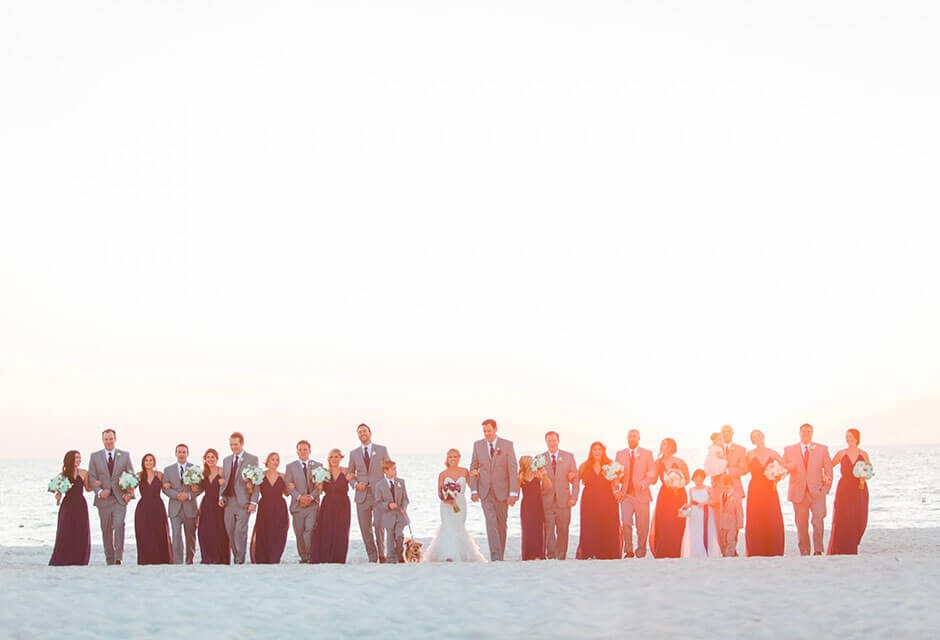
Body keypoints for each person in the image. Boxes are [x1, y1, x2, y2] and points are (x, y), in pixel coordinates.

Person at [424, 449, 487, 563]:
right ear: (447, 459)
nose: (453, 459)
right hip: (446, 505)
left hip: (460, 503)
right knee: (447, 526)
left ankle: (460, 554)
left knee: (459, 526)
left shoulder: (464, 471)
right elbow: (439, 492)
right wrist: (447, 499)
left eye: (455, 457)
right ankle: (448, 554)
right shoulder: (442, 474)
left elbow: (472, 486)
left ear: (459, 457)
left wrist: (478, 477)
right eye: (450, 457)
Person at [469, 418, 519, 561]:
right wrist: (474, 490)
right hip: (485, 491)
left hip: (503, 492)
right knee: (491, 523)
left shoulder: (507, 445)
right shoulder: (477, 445)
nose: (486, 434)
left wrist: (513, 492)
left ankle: (500, 555)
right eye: (484, 431)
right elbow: (473, 467)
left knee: (501, 524)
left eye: (489, 430)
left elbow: (512, 469)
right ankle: (496, 557)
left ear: (496, 429)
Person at [783, 423, 832, 555]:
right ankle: (804, 551)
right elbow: (783, 469)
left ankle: (818, 550)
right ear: (799, 433)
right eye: (803, 431)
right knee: (801, 525)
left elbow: (828, 470)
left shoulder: (822, 449)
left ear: (812, 433)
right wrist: (779, 473)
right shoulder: (789, 450)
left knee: (818, 522)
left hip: (817, 493)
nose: (806, 433)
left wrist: (825, 489)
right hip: (798, 493)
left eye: (809, 431)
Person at [88, 428, 134, 565]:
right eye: (106, 439)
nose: (108, 441)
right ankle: (110, 558)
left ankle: (119, 557)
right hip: (103, 500)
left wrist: (129, 494)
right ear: (103, 440)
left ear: (115, 439)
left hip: (120, 499)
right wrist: (99, 491)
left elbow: (131, 476)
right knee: (106, 529)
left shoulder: (124, 455)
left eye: (111, 438)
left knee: (119, 525)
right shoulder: (95, 456)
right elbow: (91, 477)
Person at [347, 424, 391, 563]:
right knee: (365, 529)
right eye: (359, 432)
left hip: (379, 495)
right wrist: (355, 484)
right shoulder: (353, 453)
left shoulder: (382, 450)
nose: (362, 434)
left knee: (378, 526)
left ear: (370, 433)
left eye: (364, 431)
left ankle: (382, 555)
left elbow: (389, 470)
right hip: (362, 496)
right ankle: (372, 557)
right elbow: (350, 474)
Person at [828, 428, 871, 555]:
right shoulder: (842, 453)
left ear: (857, 438)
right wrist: (826, 477)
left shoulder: (863, 454)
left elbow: (869, 470)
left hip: (860, 488)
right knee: (844, 517)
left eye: (850, 436)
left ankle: (855, 542)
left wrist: (864, 476)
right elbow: (829, 465)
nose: (848, 439)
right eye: (846, 436)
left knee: (859, 517)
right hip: (844, 488)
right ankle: (842, 548)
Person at [614, 429, 657, 558]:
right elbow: (616, 474)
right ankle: (628, 550)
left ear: (639, 438)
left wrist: (644, 484)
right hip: (626, 495)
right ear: (627, 438)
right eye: (630, 436)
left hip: (642, 495)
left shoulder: (647, 454)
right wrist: (616, 489)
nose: (632, 439)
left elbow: (653, 473)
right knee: (626, 522)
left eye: (634, 436)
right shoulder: (620, 454)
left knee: (642, 525)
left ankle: (641, 550)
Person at [219, 432, 260, 564]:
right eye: (231, 445)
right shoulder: (226, 460)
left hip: (244, 502)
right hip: (228, 502)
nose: (233, 447)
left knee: (240, 532)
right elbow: (225, 481)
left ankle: (239, 560)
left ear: (242, 443)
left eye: (236, 444)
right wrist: (221, 496)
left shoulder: (252, 459)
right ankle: (236, 556)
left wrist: (253, 502)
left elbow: (256, 481)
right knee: (230, 532)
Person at [575, 442, 621, 560]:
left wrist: (617, 480)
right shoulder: (584, 466)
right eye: (594, 449)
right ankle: (590, 552)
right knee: (590, 525)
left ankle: (606, 553)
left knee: (607, 524)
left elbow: (615, 484)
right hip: (589, 499)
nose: (597, 452)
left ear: (603, 451)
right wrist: (573, 497)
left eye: (599, 449)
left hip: (607, 499)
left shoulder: (610, 465)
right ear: (591, 451)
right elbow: (576, 482)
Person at [745, 430, 785, 557]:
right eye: (754, 437)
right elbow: (744, 469)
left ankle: (774, 549)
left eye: (759, 435)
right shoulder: (750, 454)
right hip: (755, 489)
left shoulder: (773, 453)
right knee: (755, 518)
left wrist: (777, 476)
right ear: (753, 440)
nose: (758, 438)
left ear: (764, 436)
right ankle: (756, 549)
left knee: (772, 516)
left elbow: (785, 467)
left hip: (770, 489)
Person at [309, 449, 354, 564]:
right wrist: (318, 485)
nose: (334, 459)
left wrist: (352, 480)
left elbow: (356, 482)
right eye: (332, 457)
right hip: (328, 504)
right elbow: (319, 490)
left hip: (343, 504)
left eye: (336, 457)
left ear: (341, 458)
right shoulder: (323, 472)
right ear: (328, 459)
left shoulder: (346, 471)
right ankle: (325, 556)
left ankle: (338, 558)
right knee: (326, 530)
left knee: (341, 530)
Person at [540, 431, 579, 560]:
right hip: (547, 500)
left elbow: (575, 479)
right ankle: (551, 555)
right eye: (549, 440)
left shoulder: (568, 457)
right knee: (549, 530)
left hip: (564, 500)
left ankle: (561, 555)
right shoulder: (540, 458)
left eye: (554, 440)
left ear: (558, 440)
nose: (552, 443)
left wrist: (574, 497)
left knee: (563, 529)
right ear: (546, 442)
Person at [49, 450, 92, 566]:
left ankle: (79, 558)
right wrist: (57, 496)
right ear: (70, 459)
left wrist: (97, 484)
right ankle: (64, 558)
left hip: (80, 505)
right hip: (67, 505)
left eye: (80, 457)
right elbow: (58, 493)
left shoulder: (84, 473)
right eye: (76, 457)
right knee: (65, 531)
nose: (79, 460)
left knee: (81, 531)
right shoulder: (62, 475)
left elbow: (88, 488)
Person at [710, 424, 747, 556]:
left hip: (734, 488)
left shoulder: (741, 450)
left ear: (732, 433)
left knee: (734, 520)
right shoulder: (714, 448)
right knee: (720, 521)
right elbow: (709, 466)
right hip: (717, 489)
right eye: (723, 431)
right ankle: (723, 549)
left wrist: (727, 470)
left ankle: (732, 548)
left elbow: (744, 469)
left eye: (728, 431)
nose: (726, 434)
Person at [650, 438, 689, 559]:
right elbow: (654, 480)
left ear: (672, 447)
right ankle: (663, 551)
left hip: (679, 494)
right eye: (662, 444)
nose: (663, 446)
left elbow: (687, 479)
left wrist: (678, 484)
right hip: (665, 495)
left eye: (665, 444)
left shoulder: (680, 461)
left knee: (679, 521)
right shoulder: (657, 462)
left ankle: (678, 550)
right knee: (664, 522)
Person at [162, 443, 201, 564]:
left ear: (187, 453)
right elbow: (164, 488)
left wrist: (189, 495)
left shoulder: (195, 468)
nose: (181, 454)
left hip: (190, 507)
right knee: (176, 535)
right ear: (176, 453)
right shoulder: (168, 470)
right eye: (179, 452)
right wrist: (176, 495)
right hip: (175, 508)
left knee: (190, 536)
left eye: (184, 452)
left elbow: (200, 487)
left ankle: (190, 560)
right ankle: (177, 561)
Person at [285, 440, 322, 562]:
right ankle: (304, 556)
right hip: (297, 506)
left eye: (305, 449)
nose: (303, 452)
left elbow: (319, 486)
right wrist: (299, 497)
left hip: (312, 505)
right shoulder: (290, 467)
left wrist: (310, 497)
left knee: (309, 530)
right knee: (299, 533)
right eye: (300, 450)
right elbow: (289, 486)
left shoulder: (318, 466)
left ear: (309, 451)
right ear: (297, 452)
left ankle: (311, 555)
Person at [250, 452, 289, 564]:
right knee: (264, 531)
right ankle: (263, 557)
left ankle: (275, 556)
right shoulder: (260, 475)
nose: (275, 462)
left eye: (277, 460)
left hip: (279, 507)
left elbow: (287, 493)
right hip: (265, 507)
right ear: (268, 461)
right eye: (273, 459)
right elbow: (255, 491)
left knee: (279, 532)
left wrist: (291, 487)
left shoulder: (282, 476)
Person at [134, 453, 172, 565]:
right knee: (144, 533)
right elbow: (130, 488)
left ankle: (161, 559)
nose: (149, 462)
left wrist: (167, 485)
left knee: (159, 532)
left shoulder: (159, 474)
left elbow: (167, 486)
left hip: (157, 507)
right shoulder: (139, 475)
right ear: (143, 463)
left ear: (154, 462)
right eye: (146, 460)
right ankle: (146, 559)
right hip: (143, 507)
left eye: (151, 460)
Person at [373, 460, 410, 564]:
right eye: (393, 469)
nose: (395, 471)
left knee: (399, 535)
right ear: (385, 470)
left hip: (400, 515)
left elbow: (406, 499)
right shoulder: (379, 485)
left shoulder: (401, 482)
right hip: (388, 516)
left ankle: (400, 554)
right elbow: (378, 502)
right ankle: (390, 558)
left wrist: (404, 507)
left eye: (395, 469)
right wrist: (388, 505)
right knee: (390, 537)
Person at [197, 448, 229, 564]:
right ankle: (207, 557)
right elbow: (199, 489)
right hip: (206, 504)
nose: (210, 459)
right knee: (204, 531)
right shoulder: (202, 473)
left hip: (219, 504)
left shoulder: (222, 471)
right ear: (205, 459)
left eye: (212, 457)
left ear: (217, 458)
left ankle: (220, 558)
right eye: (208, 457)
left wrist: (224, 483)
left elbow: (229, 487)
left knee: (219, 530)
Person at [680, 469, 720, 558]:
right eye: (696, 480)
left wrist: (705, 503)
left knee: (705, 531)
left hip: (705, 512)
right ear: (693, 479)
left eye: (700, 480)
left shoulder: (708, 488)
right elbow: (691, 502)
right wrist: (687, 506)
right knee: (694, 532)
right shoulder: (691, 489)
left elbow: (715, 501)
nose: (698, 482)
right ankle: (695, 552)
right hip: (694, 513)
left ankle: (706, 551)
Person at [518, 455, 551, 560]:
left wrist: (543, 476)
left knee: (538, 528)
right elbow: (517, 492)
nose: (531, 461)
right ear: (524, 464)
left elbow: (549, 487)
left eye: (531, 459)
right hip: (526, 505)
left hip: (537, 504)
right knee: (527, 529)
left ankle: (538, 554)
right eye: (528, 460)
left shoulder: (538, 474)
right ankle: (528, 554)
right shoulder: (521, 476)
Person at [716, 475, 741, 557]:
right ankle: (725, 554)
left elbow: (739, 511)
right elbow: (720, 510)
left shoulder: (737, 496)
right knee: (724, 541)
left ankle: (730, 555)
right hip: (723, 522)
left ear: (732, 485)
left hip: (732, 522)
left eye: (728, 486)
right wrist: (720, 523)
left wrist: (739, 524)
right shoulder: (721, 495)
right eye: (724, 486)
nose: (726, 488)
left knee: (731, 540)